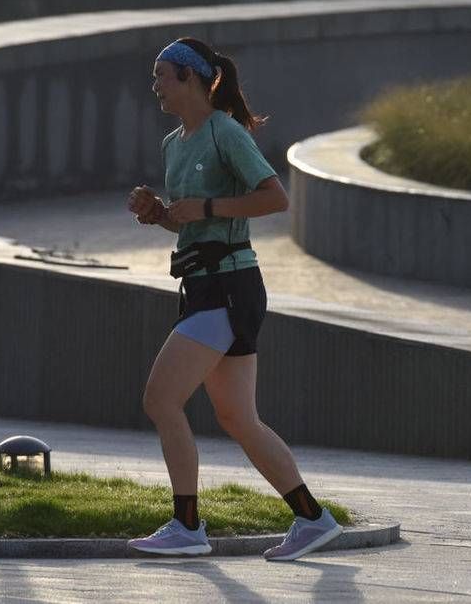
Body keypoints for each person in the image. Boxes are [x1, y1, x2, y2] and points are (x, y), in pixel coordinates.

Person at [125, 38, 342, 561]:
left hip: (230, 288)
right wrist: (159, 214)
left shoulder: (225, 131)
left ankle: (187, 525)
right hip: (203, 285)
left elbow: (275, 197)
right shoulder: (175, 143)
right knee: (238, 419)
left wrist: (208, 205)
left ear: (192, 78)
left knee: (160, 400)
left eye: (162, 75)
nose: (154, 84)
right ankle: (314, 519)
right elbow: (191, 221)